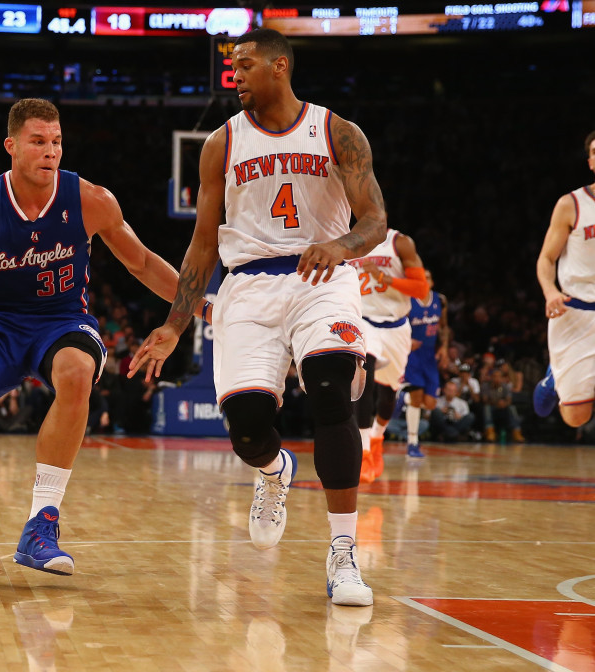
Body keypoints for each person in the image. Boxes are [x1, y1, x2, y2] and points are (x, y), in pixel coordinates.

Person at [0, 98, 208, 581]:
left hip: (61, 320)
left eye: (56, 141)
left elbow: (142, 262)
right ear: (10, 146)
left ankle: (41, 525)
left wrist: (199, 306)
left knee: (77, 373)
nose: (50, 151)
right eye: (38, 141)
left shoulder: (91, 200)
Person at [127, 29, 386, 606]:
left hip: (322, 277)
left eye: (245, 65)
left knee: (330, 391)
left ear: (279, 67)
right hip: (246, 284)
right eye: (233, 67)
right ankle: (273, 471)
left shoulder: (337, 131)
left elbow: (375, 222)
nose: (235, 75)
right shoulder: (220, 144)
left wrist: (341, 245)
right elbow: (202, 244)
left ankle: (343, 553)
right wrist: (175, 324)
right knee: (246, 425)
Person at [346, 228, 428, 483]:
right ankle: (364, 451)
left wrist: (383, 277)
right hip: (364, 321)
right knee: (364, 375)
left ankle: (377, 437)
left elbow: (421, 289)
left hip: (396, 326)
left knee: (389, 393)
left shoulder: (399, 243)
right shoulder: (347, 244)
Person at [533, 130, 595, 431]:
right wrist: (550, 291)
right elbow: (546, 259)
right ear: (591, 162)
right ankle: (553, 379)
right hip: (577, 312)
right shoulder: (572, 204)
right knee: (576, 417)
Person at [402, 269, 450, 457]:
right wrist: (406, 341)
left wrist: (444, 347)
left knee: (430, 403)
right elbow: (397, 324)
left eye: (428, 277)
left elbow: (444, 327)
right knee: (416, 399)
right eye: (421, 277)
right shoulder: (407, 299)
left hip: (429, 355)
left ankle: (404, 399)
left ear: (432, 282)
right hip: (412, 355)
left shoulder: (441, 300)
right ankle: (412, 443)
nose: (425, 280)